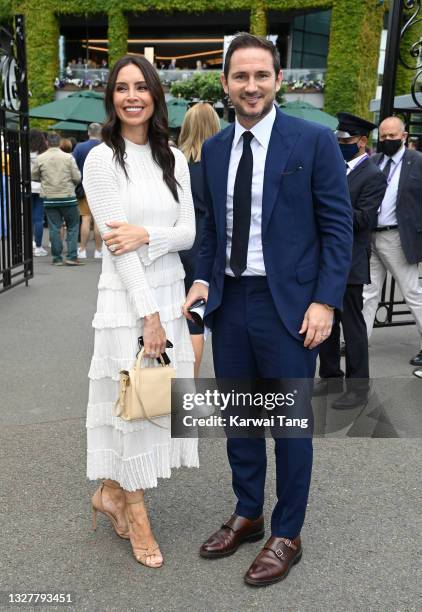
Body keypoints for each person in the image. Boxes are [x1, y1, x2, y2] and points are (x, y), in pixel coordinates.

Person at [183, 33, 353, 587]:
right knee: (240, 421)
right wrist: (202, 278)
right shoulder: (212, 150)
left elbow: (337, 226)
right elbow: (209, 227)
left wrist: (326, 300)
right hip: (230, 304)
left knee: (290, 426)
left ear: (278, 80)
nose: (250, 86)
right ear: (226, 84)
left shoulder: (313, 141)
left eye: (261, 76)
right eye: (240, 77)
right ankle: (249, 512)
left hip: (291, 306)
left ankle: (288, 532)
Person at [82, 55, 199, 569]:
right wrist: (148, 315)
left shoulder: (173, 155)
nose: (132, 96)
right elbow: (116, 246)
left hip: (170, 292)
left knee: (150, 402)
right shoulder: (101, 160)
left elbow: (190, 233)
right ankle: (135, 513)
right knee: (130, 404)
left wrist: (149, 233)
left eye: (141, 87)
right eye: (121, 88)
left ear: (155, 94)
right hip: (128, 302)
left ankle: (109, 491)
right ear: (112, 97)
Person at [314, 113, 387, 408]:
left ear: (362, 141)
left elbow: (364, 219)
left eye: (346, 140)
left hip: (350, 262)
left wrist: (328, 208)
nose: (341, 143)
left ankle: (358, 389)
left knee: (353, 327)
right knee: (325, 322)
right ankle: (331, 377)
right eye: (338, 139)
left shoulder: (372, 175)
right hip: (325, 259)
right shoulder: (336, 168)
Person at [363, 116, 422, 367]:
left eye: (392, 136)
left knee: (412, 293)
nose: (387, 140)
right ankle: (358, 341)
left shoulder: (417, 162)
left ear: (404, 136)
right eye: (383, 136)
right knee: (367, 293)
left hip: (398, 237)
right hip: (370, 237)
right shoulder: (374, 160)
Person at [178, 102, 221, 377]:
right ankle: (188, 389)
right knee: (196, 319)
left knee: (176, 317)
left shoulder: (173, 164)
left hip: (177, 245)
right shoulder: (219, 166)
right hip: (206, 249)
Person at [31, 132, 83, 266]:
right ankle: (72, 256)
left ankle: (57, 258)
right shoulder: (68, 157)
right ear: (60, 143)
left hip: (49, 197)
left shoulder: (41, 158)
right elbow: (77, 177)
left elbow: (34, 176)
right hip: (67, 197)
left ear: (47, 143)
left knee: (54, 227)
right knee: (72, 226)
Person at [72, 123, 103, 259]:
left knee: (85, 218)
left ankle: (83, 249)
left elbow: (72, 165)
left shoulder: (79, 147)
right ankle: (98, 250)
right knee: (98, 221)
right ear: (101, 133)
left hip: (84, 188)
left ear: (88, 132)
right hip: (102, 188)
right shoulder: (105, 148)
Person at [29, 129, 48, 257]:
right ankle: (38, 246)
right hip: (41, 187)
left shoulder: (21, 151)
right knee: (38, 219)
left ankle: (30, 243)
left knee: (28, 217)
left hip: (25, 186)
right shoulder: (44, 154)